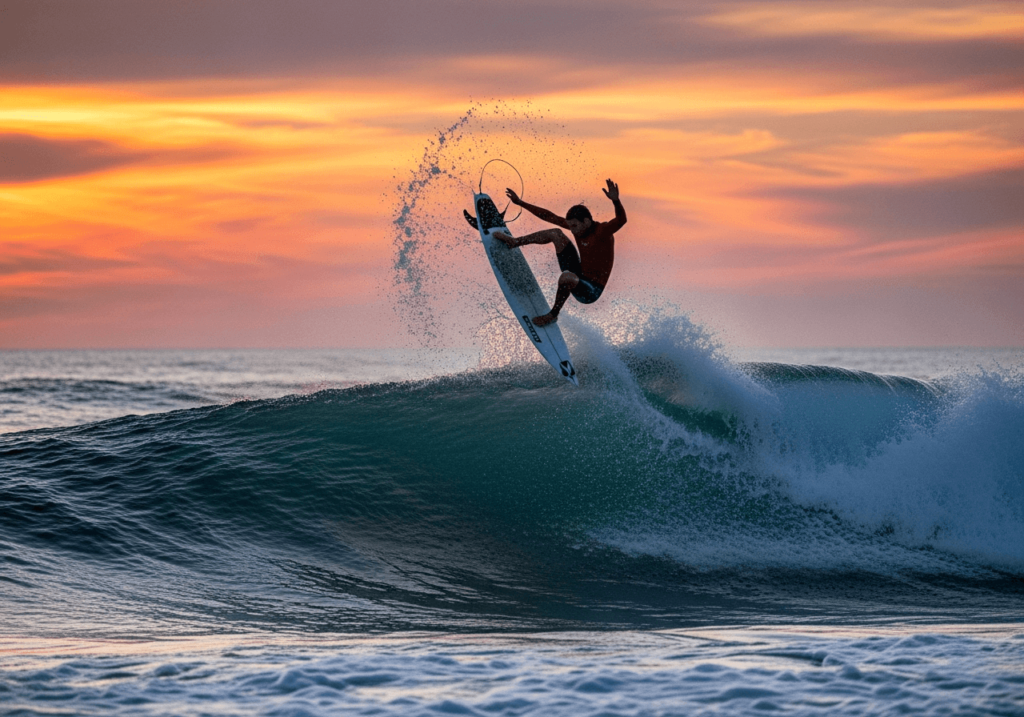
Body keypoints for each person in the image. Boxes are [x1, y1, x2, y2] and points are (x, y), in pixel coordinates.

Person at [492, 179, 626, 326]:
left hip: (590, 290)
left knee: (566, 277)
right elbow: (549, 217)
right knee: (555, 233)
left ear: (587, 222)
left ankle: (552, 315)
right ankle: (514, 242)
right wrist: (520, 203)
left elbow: (621, 220)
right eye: (570, 226)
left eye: (575, 226)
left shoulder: (602, 232)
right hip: (578, 273)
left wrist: (616, 201)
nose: (573, 230)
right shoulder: (578, 228)